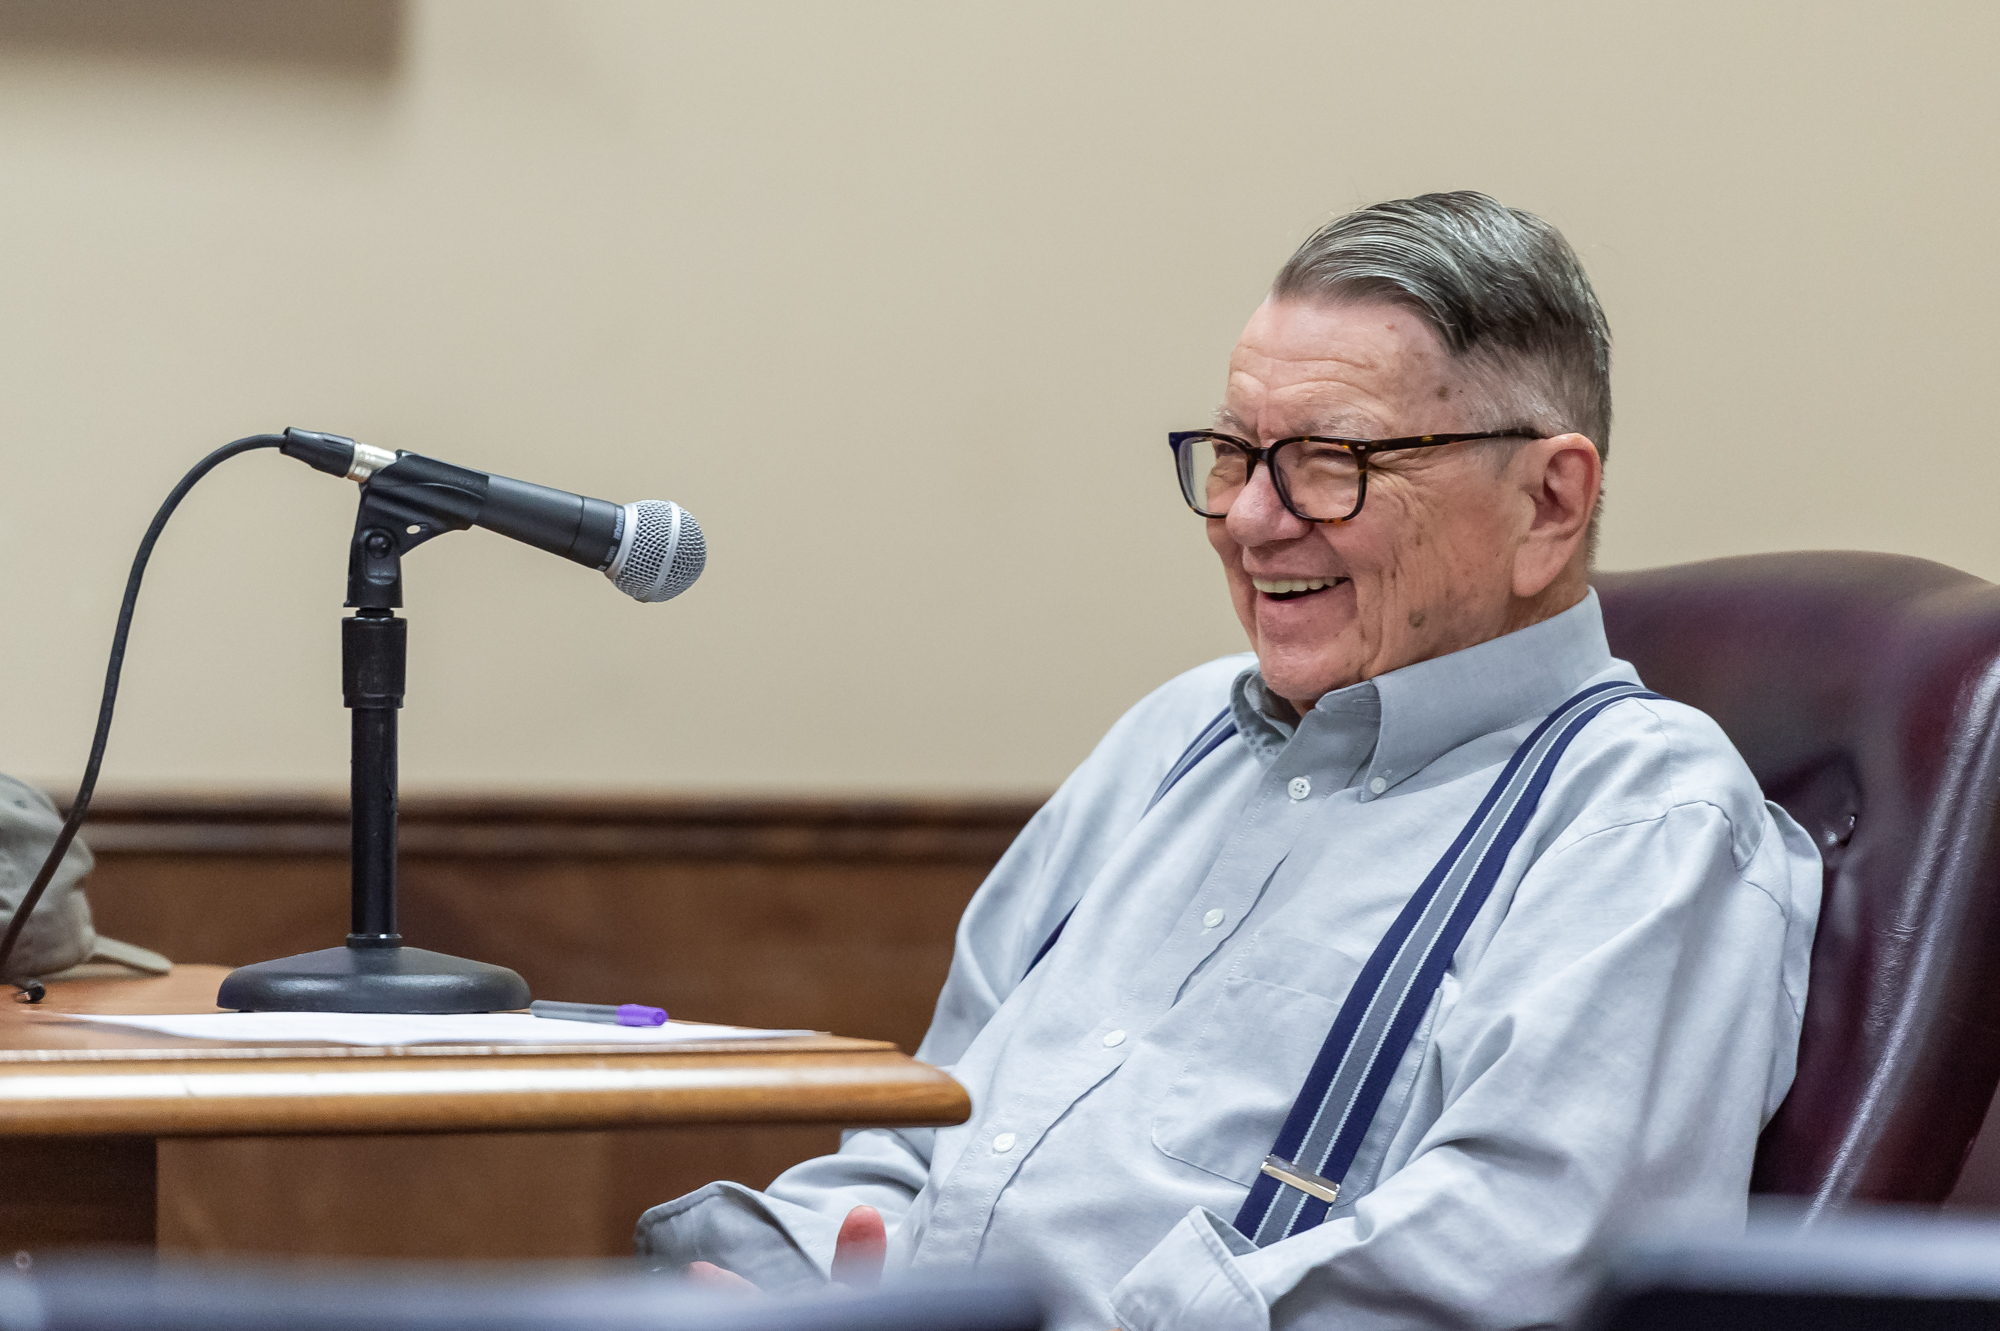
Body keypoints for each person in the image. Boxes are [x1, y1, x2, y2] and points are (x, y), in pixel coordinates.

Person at [636, 192, 1821, 1331]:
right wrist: (788, 1282)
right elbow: (927, 1125)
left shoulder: (1640, 818)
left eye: (1328, 461)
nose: (1250, 519)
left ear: (1548, 505)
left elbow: (1517, 1262)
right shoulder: (1174, 733)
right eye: (1233, 453)